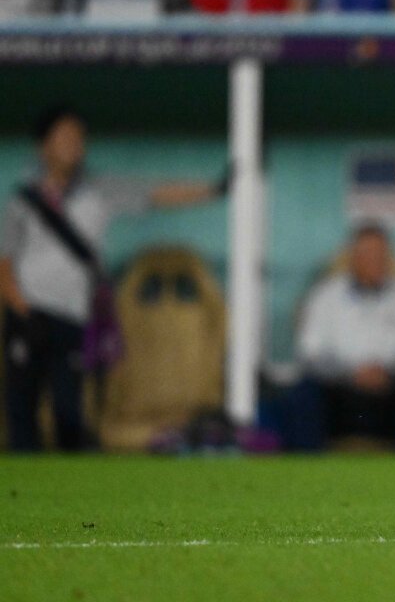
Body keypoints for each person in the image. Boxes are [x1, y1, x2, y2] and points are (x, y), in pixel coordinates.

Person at [0, 107, 226, 452]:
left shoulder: (99, 191)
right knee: (22, 406)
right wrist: (23, 311)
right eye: (63, 137)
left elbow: (155, 193)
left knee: (69, 409)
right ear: (42, 146)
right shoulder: (21, 202)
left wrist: (215, 190)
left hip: (73, 315)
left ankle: (71, 479)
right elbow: (4, 262)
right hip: (28, 315)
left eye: (78, 138)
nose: (72, 144)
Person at [285, 223, 395, 451]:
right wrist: (350, 374)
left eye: (380, 254)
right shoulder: (324, 296)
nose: (375, 260)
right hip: (340, 390)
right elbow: (310, 352)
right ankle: (309, 463)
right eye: (367, 254)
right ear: (353, 257)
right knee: (305, 393)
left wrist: (386, 373)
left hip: (390, 390)